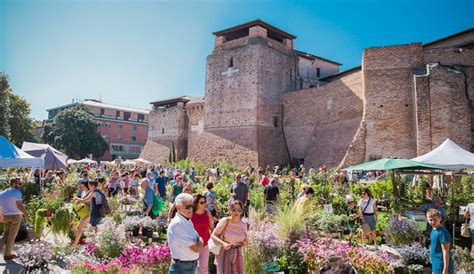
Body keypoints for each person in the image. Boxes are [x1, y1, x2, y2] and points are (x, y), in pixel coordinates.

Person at [167, 193, 204, 273]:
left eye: (192, 206)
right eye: (187, 207)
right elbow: (197, 248)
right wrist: (201, 240)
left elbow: (198, 243)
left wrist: (199, 241)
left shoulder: (186, 220)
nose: (190, 209)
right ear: (178, 207)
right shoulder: (178, 224)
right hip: (182, 267)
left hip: (187, 266)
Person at [211, 200, 247, 274]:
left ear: (242, 211)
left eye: (239, 210)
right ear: (230, 210)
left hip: (237, 253)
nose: (236, 212)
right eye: (233, 210)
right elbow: (213, 235)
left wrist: (243, 243)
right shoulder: (225, 221)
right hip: (224, 252)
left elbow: (246, 240)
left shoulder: (244, 224)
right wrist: (223, 243)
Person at [0, 178, 29, 260]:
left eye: (20, 184)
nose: (19, 185)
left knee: (5, 234)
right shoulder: (17, 192)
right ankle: (7, 254)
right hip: (15, 216)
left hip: (5, 216)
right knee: (12, 236)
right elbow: (19, 205)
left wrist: (1, 216)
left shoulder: (1, 193)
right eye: (18, 183)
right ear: (13, 184)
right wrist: (26, 214)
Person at [191, 194, 214, 274]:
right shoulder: (190, 213)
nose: (204, 204)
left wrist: (211, 236)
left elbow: (211, 227)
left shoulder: (207, 212)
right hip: (193, 243)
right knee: (193, 267)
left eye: (205, 202)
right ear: (196, 203)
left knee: (204, 267)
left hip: (205, 243)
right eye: (201, 202)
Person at [427, 208, 454, 274]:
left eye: (435, 219)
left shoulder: (442, 233)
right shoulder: (434, 229)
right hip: (435, 262)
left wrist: (445, 270)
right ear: (427, 219)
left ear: (440, 218)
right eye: (430, 220)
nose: (432, 222)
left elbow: (445, 252)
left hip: (441, 264)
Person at [73, 181, 91, 245]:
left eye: (83, 187)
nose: (82, 188)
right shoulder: (83, 192)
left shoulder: (90, 193)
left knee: (79, 228)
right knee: (87, 229)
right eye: (81, 187)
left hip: (88, 213)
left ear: (87, 186)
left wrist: (80, 200)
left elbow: (90, 203)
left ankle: (74, 245)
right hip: (84, 213)